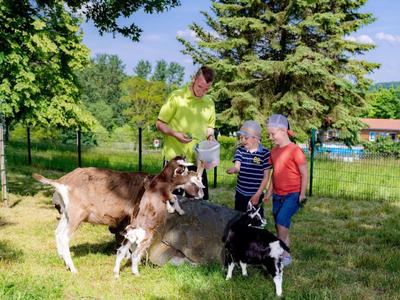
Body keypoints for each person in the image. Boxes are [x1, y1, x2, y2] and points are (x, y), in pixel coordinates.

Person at [156, 66, 216, 200]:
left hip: (198, 162)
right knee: (171, 202)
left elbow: (209, 128)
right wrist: (175, 134)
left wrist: (211, 138)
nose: (202, 92)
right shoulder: (176, 97)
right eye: (200, 86)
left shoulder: (209, 102)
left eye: (206, 89)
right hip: (175, 161)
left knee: (199, 204)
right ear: (194, 79)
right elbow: (159, 123)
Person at [264, 114, 308, 267]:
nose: (270, 137)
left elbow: (304, 173)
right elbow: (275, 173)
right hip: (278, 194)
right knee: (279, 224)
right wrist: (270, 190)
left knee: (282, 220)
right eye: (269, 134)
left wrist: (302, 194)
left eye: (272, 134)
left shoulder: (295, 150)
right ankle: (286, 256)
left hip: (293, 194)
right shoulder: (274, 152)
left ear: (283, 131)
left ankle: (278, 251)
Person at [227, 120, 272, 217]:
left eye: (245, 138)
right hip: (240, 193)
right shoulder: (240, 151)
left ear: (255, 138)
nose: (242, 141)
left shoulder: (265, 153)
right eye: (241, 138)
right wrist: (234, 169)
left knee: (255, 221)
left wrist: (258, 194)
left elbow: (266, 177)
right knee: (239, 219)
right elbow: (237, 167)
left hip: (255, 194)